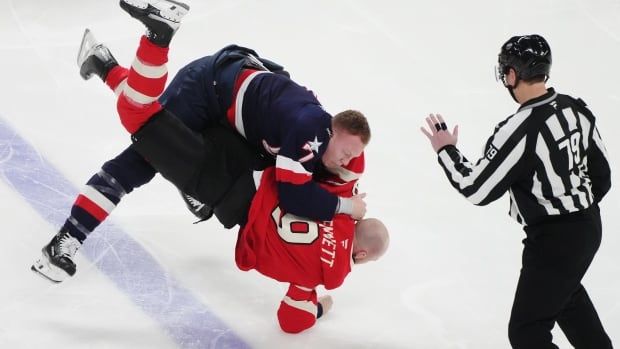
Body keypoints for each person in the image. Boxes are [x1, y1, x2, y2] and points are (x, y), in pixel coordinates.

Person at [32, 0, 370, 282]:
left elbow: (340, 170)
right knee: (140, 154)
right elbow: (296, 195)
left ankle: (103, 64)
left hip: (229, 109)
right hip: (207, 89)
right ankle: (157, 35)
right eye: (346, 151)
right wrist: (346, 206)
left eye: (351, 157)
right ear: (334, 129)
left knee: (156, 127)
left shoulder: (322, 140)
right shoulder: (309, 133)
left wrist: (347, 184)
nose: (346, 161)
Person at [421, 34, 612, 348]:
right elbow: (602, 174)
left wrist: (447, 152)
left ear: (512, 75)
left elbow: (477, 188)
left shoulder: (520, 128)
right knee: (566, 297)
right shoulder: (574, 108)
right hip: (589, 226)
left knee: (527, 332)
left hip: (553, 240)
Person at [236, 166, 389, 333]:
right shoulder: (332, 273)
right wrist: (319, 309)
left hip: (261, 180)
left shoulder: (343, 206)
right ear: (362, 254)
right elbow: (291, 321)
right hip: (241, 219)